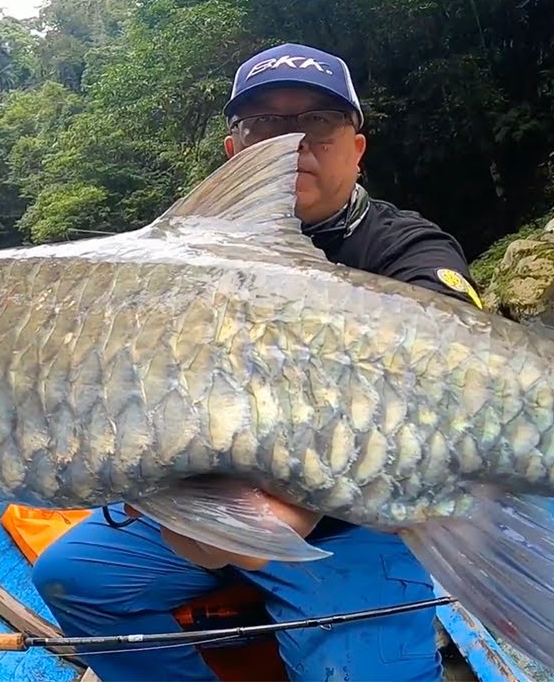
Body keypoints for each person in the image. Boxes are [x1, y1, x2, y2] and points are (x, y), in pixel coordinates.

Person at [31, 42, 486, 682]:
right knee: (73, 576)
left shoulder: (407, 250)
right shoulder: (172, 260)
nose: (293, 141)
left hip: (360, 515)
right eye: (266, 124)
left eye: (318, 122)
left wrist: (304, 499)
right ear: (234, 150)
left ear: (357, 148)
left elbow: (456, 381)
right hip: (200, 495)